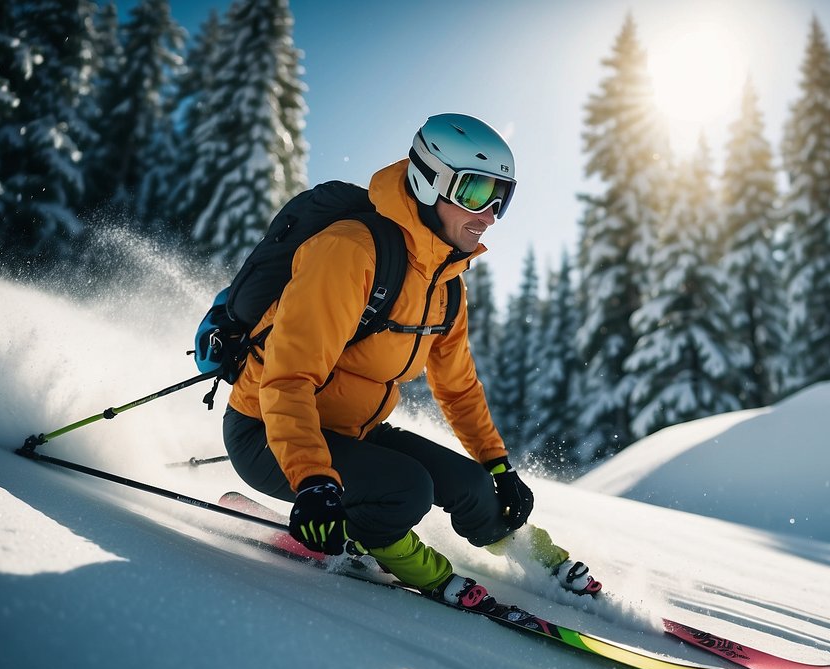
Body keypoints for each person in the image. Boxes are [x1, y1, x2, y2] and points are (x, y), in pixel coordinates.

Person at [222, 113, 600, 610]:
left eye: (500, 198)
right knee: (405, 490)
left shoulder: (446, 285)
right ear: (427, 182)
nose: (487, 214)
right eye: (473, 193)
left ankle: (542, 561)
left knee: (472, 486)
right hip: (270, 431)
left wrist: (499, 467)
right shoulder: (348, 251)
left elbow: (459, 387)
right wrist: (313, 479)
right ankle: (403, 560)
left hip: (354, 432)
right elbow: (287, 376)